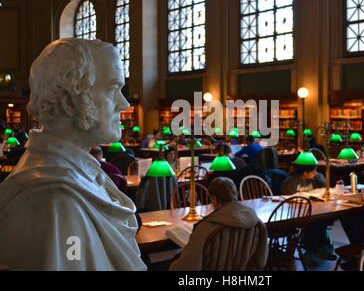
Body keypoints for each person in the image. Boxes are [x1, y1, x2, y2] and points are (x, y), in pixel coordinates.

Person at [0, 39, 146, 270]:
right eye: (111, 89)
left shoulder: (77, 176)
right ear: (70, 100)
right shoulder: (53, 201)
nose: (124, 103)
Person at [170, 177, 268, 271]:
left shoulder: (205, 227)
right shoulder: (257, 223)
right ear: (236, 194)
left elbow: (189, 267)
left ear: (214, 198)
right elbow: (261, 262)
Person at [280, 164, 335, 265]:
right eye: (314, 171)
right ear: (305, 173)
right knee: (311, 222)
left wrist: (319, 177)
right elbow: (286, 198)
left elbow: (326, 188)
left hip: (312, 209)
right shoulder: (291, 182)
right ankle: (310, 251)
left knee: (322, 219)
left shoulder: (314, 179)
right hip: (295, 213)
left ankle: (320, 247)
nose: (316, 173)